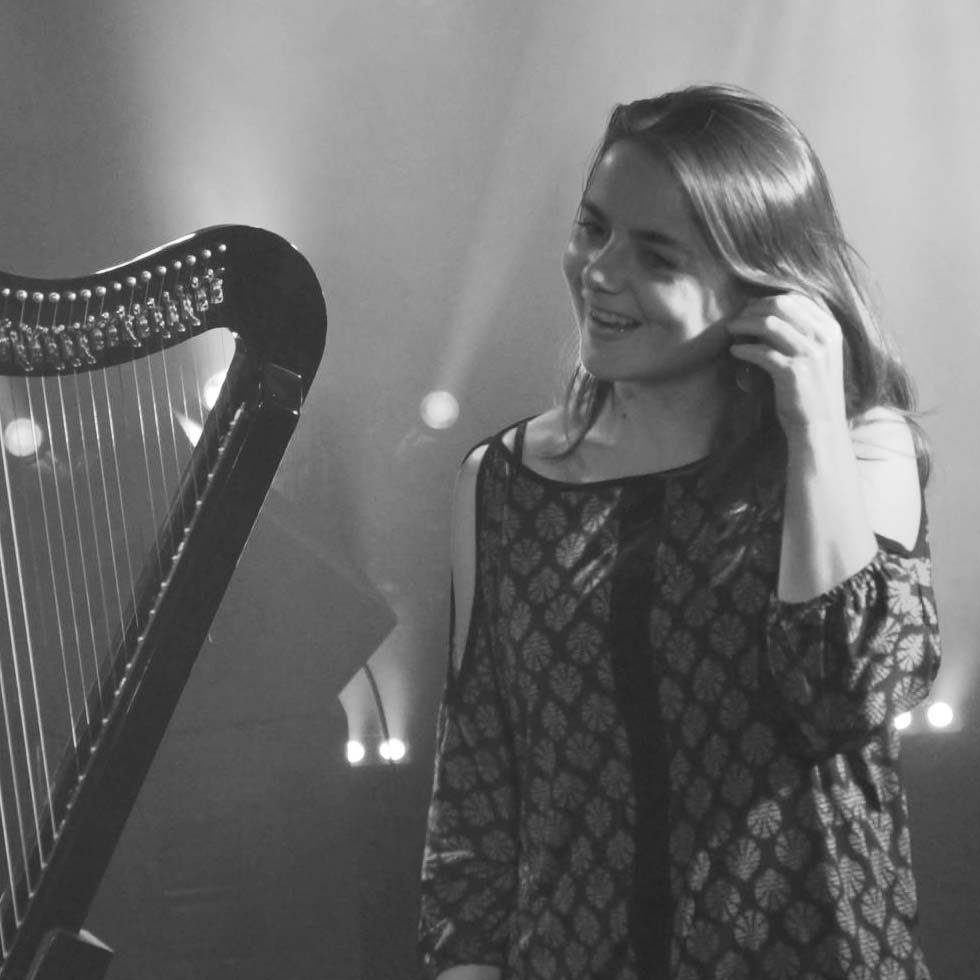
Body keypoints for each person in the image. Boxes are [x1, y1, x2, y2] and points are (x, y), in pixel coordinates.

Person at [418, 84, 941, 980]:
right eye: (593, 229)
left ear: (764, 284)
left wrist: (812, 424)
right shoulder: (498, 484)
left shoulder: (862, 449)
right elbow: (476, 794)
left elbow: (842, 696)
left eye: (657, 255)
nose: (600, 271)